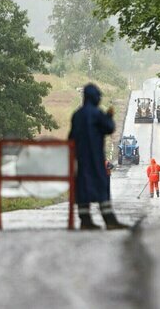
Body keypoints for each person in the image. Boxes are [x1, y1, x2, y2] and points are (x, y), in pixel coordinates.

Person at [68, 84, 128, 230]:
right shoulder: (97, 113)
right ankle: (109, 220)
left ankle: (85, 220)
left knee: (82, 186)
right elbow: (109, 128)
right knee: (101, 185)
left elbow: (71, 137)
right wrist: (109, 116)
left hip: (81, 158)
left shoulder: (77, 115)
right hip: (95, 157)